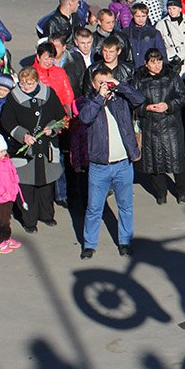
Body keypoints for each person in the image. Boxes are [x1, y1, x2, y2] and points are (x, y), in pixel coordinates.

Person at [78, 64, 144, 259]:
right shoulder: (88, 102)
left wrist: (120, 86)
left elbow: (139, 99)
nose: (105, 86)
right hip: (99, 166)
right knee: (94, 208)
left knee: (125, 205)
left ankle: (125, 241)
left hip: (123, 164)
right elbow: (85, 118)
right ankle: (89, 244)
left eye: (107, 82)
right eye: (100, 83)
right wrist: (100, 97)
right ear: (93, 84)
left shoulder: (120, 100)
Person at [0, 67, 67, 234]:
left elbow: (60, 116)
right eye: (22, 83)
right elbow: (7, 121)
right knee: (26, 188)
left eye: (29, 83)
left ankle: (47, 215)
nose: (25, 87)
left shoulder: (49, 94)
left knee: (46, 186)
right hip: (24, 152)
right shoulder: (14, 98)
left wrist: (52, 128)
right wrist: (23, 136)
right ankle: (29, 221)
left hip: (46, 149)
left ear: (37, 81)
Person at [131, 48, 185, 204]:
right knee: (154, 164)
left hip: (171, 125)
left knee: (177, 162)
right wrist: (146, 108)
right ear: (146, 63)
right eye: (152, 62)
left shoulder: (172, 76)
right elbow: (132, 102)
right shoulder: (138, 79)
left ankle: (182, 191)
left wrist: (168, 105)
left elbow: (183, 96)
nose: (157, 65)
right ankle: (161, 193)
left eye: (159, 61)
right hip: (150, 126)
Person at [156, 0, 185, 139]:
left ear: (180, 8)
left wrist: (179, 57)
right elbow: (160, 45)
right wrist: (170, 59)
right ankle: (175, 130)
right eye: (170, 7)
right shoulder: (161, 24)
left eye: (174, 7)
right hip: (171, 66)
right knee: (173, 100)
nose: (172, 10)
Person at [124, 4, 167, 68]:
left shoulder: (154, 33)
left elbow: (162, 53)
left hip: (148, 70)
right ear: (132, 16)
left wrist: (165, 70)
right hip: (130, 69)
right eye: (138, 16)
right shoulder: (125, 33)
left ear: (147, 16)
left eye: (143, 16)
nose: (141, 19)